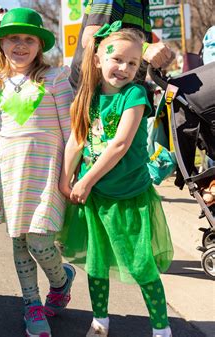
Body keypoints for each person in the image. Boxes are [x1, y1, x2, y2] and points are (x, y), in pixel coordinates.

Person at [58, 22, 174, 337]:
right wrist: (64, 180)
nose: (124, 68)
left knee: (139, 264)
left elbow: (120, 145)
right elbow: (76, 141)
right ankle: (100, 321)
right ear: (97, 59)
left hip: (127, 195)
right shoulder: (87, 96)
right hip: (94, 198)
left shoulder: (135, 94)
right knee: (96, 265)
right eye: (116, 59)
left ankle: (162, 329)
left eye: (133, 63)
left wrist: (86, 181)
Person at [0, 8, 76, 337]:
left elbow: (71, 131)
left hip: (49, 170)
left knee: (38, 240)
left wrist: (70, 173)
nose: (21, 45)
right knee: (19, 241)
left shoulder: (56, 77)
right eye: (13, 39)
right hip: (10, 173)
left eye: (28, 39)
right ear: (1, 44)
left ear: (39, 45)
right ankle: (31, 305)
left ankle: (61, 279)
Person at [69, 0, 175, 91]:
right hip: (96, 96)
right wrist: (144, 49)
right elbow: (91, 38)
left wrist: (159, 57)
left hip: (123, 92)